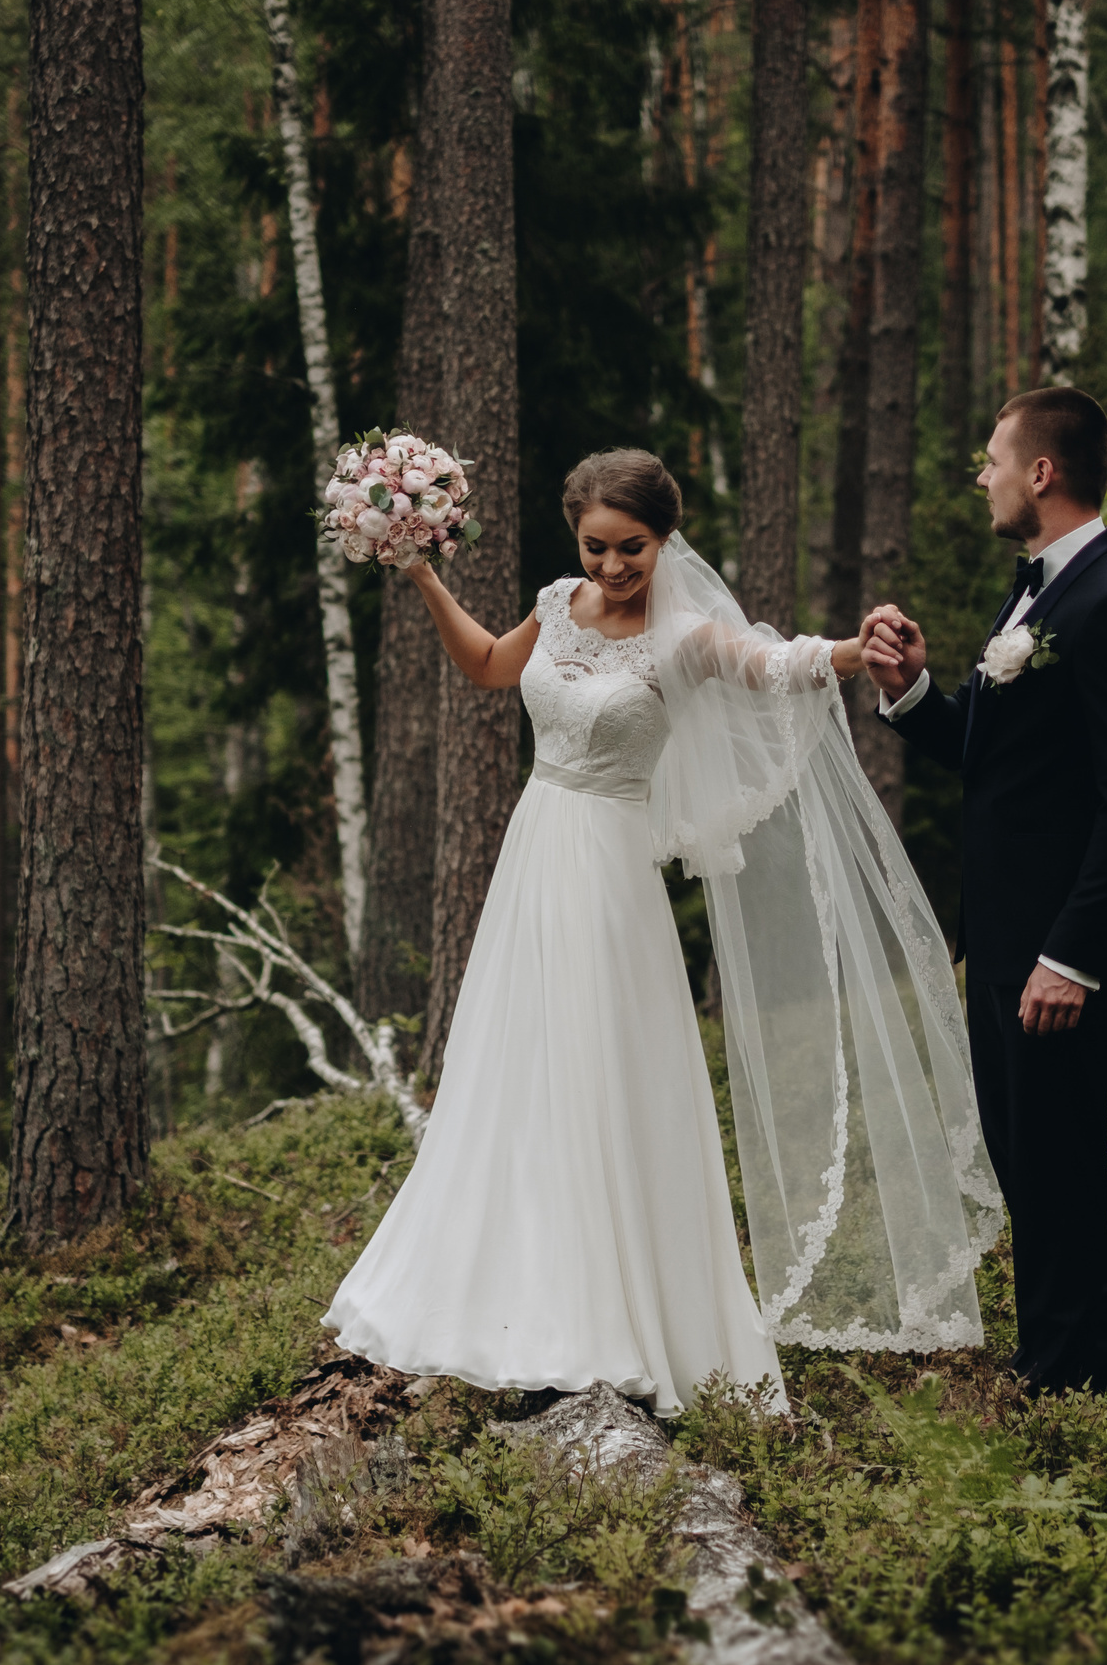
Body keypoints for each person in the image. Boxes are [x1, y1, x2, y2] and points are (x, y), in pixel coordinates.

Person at [325, 449, 1000, 1417]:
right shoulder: (557, 602)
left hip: (608, 873)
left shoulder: (683, 636)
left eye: (629, 549)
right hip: (535, 857)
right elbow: (485, 667)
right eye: (594, 548)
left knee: (599, 1075)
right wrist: (423, 573)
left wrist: (854, 653)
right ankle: (511, 1296)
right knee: (519, 1073)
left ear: (665, 540)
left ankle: (611, 1319)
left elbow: (770, 667)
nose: (608, 568)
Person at [863, 387, 1107, 1398]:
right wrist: (912, 690)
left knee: (1056, 1162)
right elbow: (995, 761)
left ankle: (1080, 1375)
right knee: (1026, 1161)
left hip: (1055, 954)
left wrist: (1070, 956)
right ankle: (1071, 1361)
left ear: (1042, 472)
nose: (985, 476)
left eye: (995, 459)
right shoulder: (1035, 593)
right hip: (1005, 941)